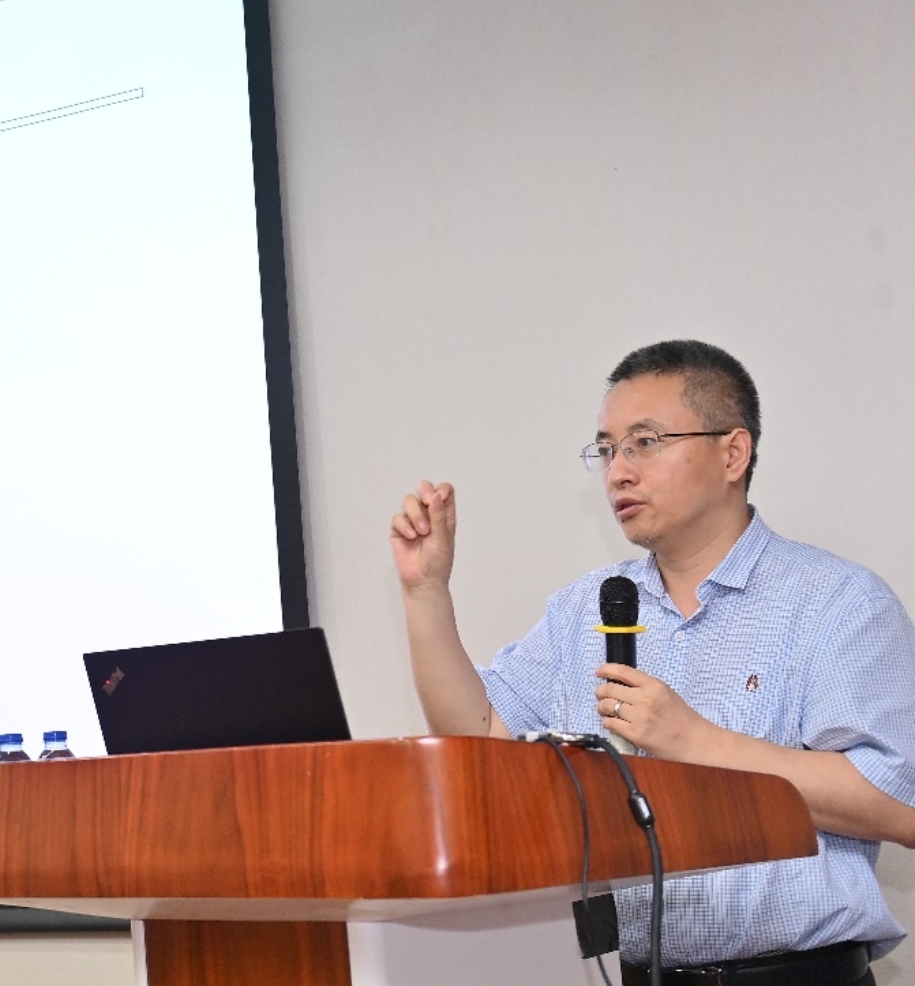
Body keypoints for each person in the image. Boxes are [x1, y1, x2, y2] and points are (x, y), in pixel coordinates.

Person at [389, 339, 915, 986]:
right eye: (607, 450)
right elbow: (482, 740)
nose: (618, 472)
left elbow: (899, 802)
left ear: (732, 453)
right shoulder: (585, 607)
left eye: (645, 443)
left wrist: (693, 742)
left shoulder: (837, 602)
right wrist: (426, 593)